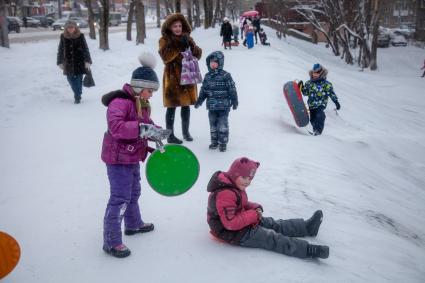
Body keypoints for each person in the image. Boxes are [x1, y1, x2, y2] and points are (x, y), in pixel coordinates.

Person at [101, 53, 171, 258]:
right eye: (150, 90)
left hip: (132, 157)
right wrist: (142, 129)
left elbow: (145, 126)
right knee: (120, 198)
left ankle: (133, 224)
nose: (152, 95)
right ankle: (111, 241)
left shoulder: (141, 104)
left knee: (133, 193)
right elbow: (116, 127)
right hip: (117, 159)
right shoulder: (120, 102)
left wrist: (157, 131)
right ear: (140, 87)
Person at [207, 157, 329, 259]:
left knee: (273, 224)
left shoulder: (234, 185)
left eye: (250, 179)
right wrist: (253, 215)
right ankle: (308, 250)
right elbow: (230, 223)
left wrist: (254, 207)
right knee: (270, 238)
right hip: (231, 232)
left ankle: (306, 227)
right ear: (235, 174)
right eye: (244, 177)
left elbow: (239, 203)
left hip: (241, 221)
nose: (247, 181)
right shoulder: (226, 193)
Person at [159, 13, 202, 144]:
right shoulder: (164, 40)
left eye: (179, 26)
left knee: (186, 106)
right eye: (174, 26)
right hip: (173, 78)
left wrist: (191, 45)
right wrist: (179, 46)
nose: (178, 28)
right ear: (169, 28)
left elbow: (198, 54)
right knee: (171, 107)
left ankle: (186, 132)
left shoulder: (188, 38)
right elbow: (165, 57)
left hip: (187, 76)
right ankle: (170, 135)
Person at [195, 51, 238, 152]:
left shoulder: (226, 75)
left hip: (224, 107)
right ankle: (214, 141)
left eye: (215, 62)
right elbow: (204, 90)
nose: (212, 64)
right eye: (211, 62)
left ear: (220, 63)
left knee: (222, 125)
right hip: (212, 107)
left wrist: (234, 101)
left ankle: (223, 142)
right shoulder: (207, 76)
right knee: (213, 125)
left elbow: (232, 88)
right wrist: (199, 101)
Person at [298, 64, 341, 135]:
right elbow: (305, 93)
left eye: (317, 73)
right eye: (314, 72)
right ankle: (315, 131)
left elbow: (331, 93)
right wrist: (301, 87)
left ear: (321, 73)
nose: (315, 74)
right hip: (311, 105)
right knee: (312, 119)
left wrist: (336, 102)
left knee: (320, 115)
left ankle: (318, 131)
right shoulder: (309, 83)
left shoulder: (326, 84)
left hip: (321, 104)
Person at [56, 20, 92, 104]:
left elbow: (85, 49)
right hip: (68, 63)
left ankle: (77, 96)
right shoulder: (63, 36)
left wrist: (88, 60)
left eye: (72, 27)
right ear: (66, 28)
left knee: (78, 80)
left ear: (75, 27)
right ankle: (78, 92)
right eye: (69, 27)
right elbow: (60, 50)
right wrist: (59, 62)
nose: (70, 29)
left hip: (79, 62)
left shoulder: (80, 36)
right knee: (70, 79)